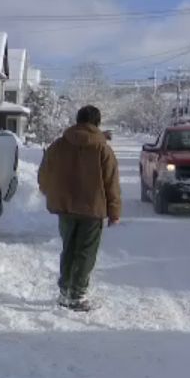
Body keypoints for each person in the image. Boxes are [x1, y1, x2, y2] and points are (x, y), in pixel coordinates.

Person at [37, 105, 121, 312]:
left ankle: (65, 290)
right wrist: (114, 211)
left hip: (65, 207)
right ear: (97, 123)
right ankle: (77, 294)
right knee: (86, 252)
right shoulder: (103, 149)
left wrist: (51, 193)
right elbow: (111, 182)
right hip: (92, 209)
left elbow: (44, 174)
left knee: (69, 248)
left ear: (77, 120)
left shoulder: (58, 145)